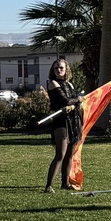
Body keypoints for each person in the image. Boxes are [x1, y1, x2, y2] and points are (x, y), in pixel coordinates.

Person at [45, 58, 83, 192]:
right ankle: (49, 185)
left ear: (66, 69)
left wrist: (74, 105)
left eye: (61, 68)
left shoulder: (70, 85)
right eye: (56, 68)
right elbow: (65, 101)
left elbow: (75, 104)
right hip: (61, 121)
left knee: (69, 154)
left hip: (73, 121)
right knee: (60, 154)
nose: (59, 70)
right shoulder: (53, 84)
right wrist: (76, 101)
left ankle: (65, 183)